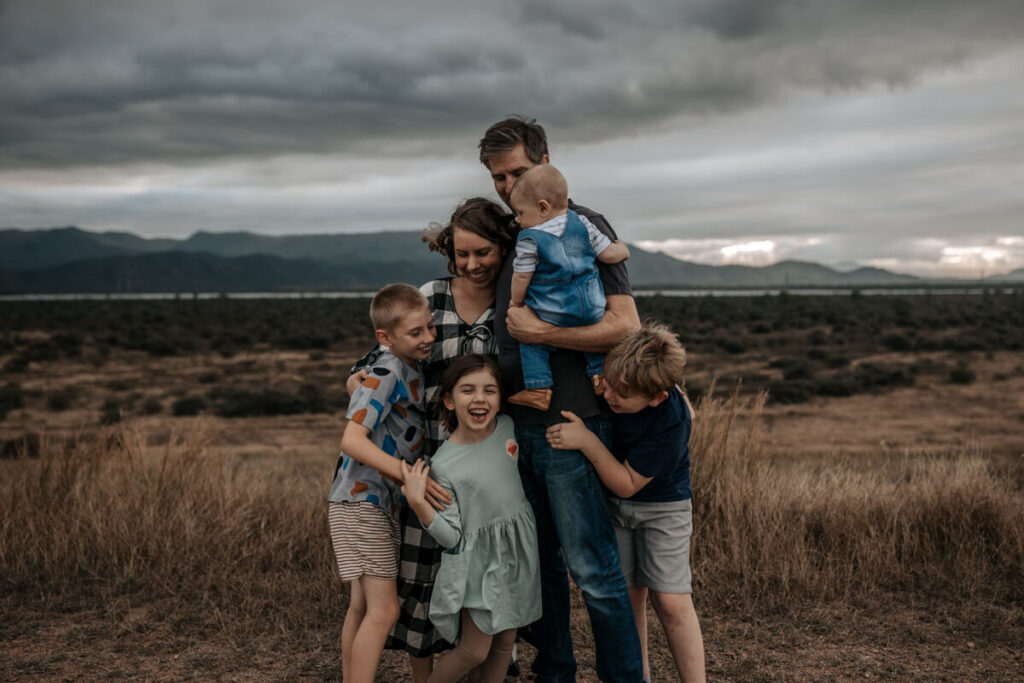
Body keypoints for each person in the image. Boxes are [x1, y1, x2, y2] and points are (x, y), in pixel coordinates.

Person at [480, 115, 644, 681]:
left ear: (546, 163)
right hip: (514, 430)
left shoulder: (579, 223)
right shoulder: (515, 229)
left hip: (571, 425)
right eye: (498, 177)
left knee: (593, 569)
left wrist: (542, 336)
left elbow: (625, 327)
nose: (507, 187)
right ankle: (556, 673)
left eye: (517, 173)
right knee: (538, 568)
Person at [345, 198, 516, 682]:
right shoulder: (431, 297)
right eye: (462, 254)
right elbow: (370, 368)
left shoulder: (515, 301)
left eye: (483, 252)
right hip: (429, 465)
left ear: (503, 248)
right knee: (423, 575)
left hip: (490, 467)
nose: (472, 264)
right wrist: (358, 386)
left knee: (482, 573)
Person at [545, 322, 706, 683]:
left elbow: (628, 483)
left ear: (657, 397)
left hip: (663, 510)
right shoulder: (630, 377)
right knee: (627, 598)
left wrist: (587, 441)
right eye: (609, 383)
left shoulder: (672, 419)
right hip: (615, 510)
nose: (611, 396)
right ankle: (638, 677)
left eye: (623, 394)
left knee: (671, 601)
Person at [327, 283, 448, 683]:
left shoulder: (396, 365)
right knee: (386, 611)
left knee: (362, 606)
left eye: (430, 327)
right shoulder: (386, 370)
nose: (429, 338)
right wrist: (408, 475)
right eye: (416, 333)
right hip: (364, 504)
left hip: (362, 504)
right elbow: (351, 439)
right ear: (386, 337)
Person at [401, 355, 542, 683]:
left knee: (505, 641)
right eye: (468, 390)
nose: (480, 398)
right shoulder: (444, 464)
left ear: (500, 398)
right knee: (474, 650)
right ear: (449, 400)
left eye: (489, 390)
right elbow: (450, 536)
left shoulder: (508, 426)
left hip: (517, 553)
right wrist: (418, 502)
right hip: (478, 566)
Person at [507, 164, 630, 411]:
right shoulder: (583, 222)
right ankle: (598, 376)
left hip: (554, 307)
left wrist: (517, 303)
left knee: (530, 339)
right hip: (592, 305)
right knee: (590, 328)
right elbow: (608, 254)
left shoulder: (529, 238)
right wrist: (624, 249)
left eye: (520, 213)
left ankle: (539, 388)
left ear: (543, 207)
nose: (518, 220)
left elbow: (521, 276)